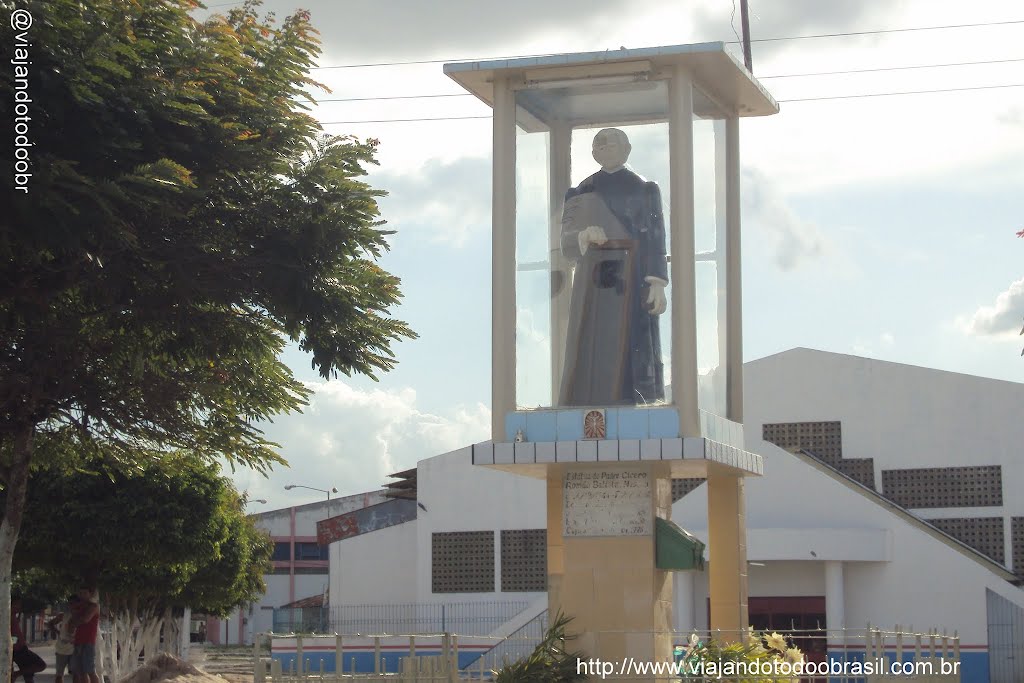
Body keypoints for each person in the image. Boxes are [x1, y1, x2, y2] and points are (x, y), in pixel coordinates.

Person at [558, 128, 668, 406]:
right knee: (590, 346)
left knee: (635, 346)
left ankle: (635, 400)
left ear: (626, 149)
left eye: (612, 144)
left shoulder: (645, 189)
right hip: (592, 284)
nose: (605, 149)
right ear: (593, 153)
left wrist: (657, 282)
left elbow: (654, 236)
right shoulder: (580, 192)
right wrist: (583, 235)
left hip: (632, 280)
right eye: (599, 146)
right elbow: (567, 242)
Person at [68, 587, 100, 683]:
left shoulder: (93, 606)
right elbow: (71, 626)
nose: (82, 595)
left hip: (88, 642)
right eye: (80, 593)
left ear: (90, 594)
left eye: (85, 593)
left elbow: (85, 619)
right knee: (80, 672)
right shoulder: (78, 607)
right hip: (78, 641)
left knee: (90, 671)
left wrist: (76, 621)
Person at [10, 598, 46, 683]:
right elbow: (11, 634)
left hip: (21, 648)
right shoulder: (8, 617)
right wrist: (14, 644)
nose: (19, 607)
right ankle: (15, 674)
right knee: (41, 665)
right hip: (19, 649)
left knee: (29, 675)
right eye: (17, 604)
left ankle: (15, 675)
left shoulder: (14, 616)